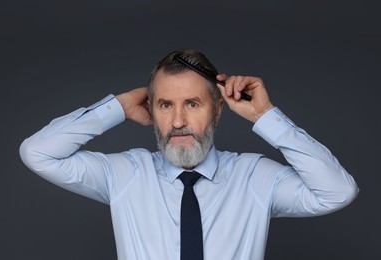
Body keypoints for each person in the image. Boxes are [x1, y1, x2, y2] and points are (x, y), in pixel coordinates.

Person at [20, 49, 359, 260]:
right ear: (152, 108)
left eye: (193, 104)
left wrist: (265, 115)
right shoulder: (124, 174)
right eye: (166, 104)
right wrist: (118, 107)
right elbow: (38, 153)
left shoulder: (255, 177)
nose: (178, 121)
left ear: (218, 111)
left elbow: (337, 192)